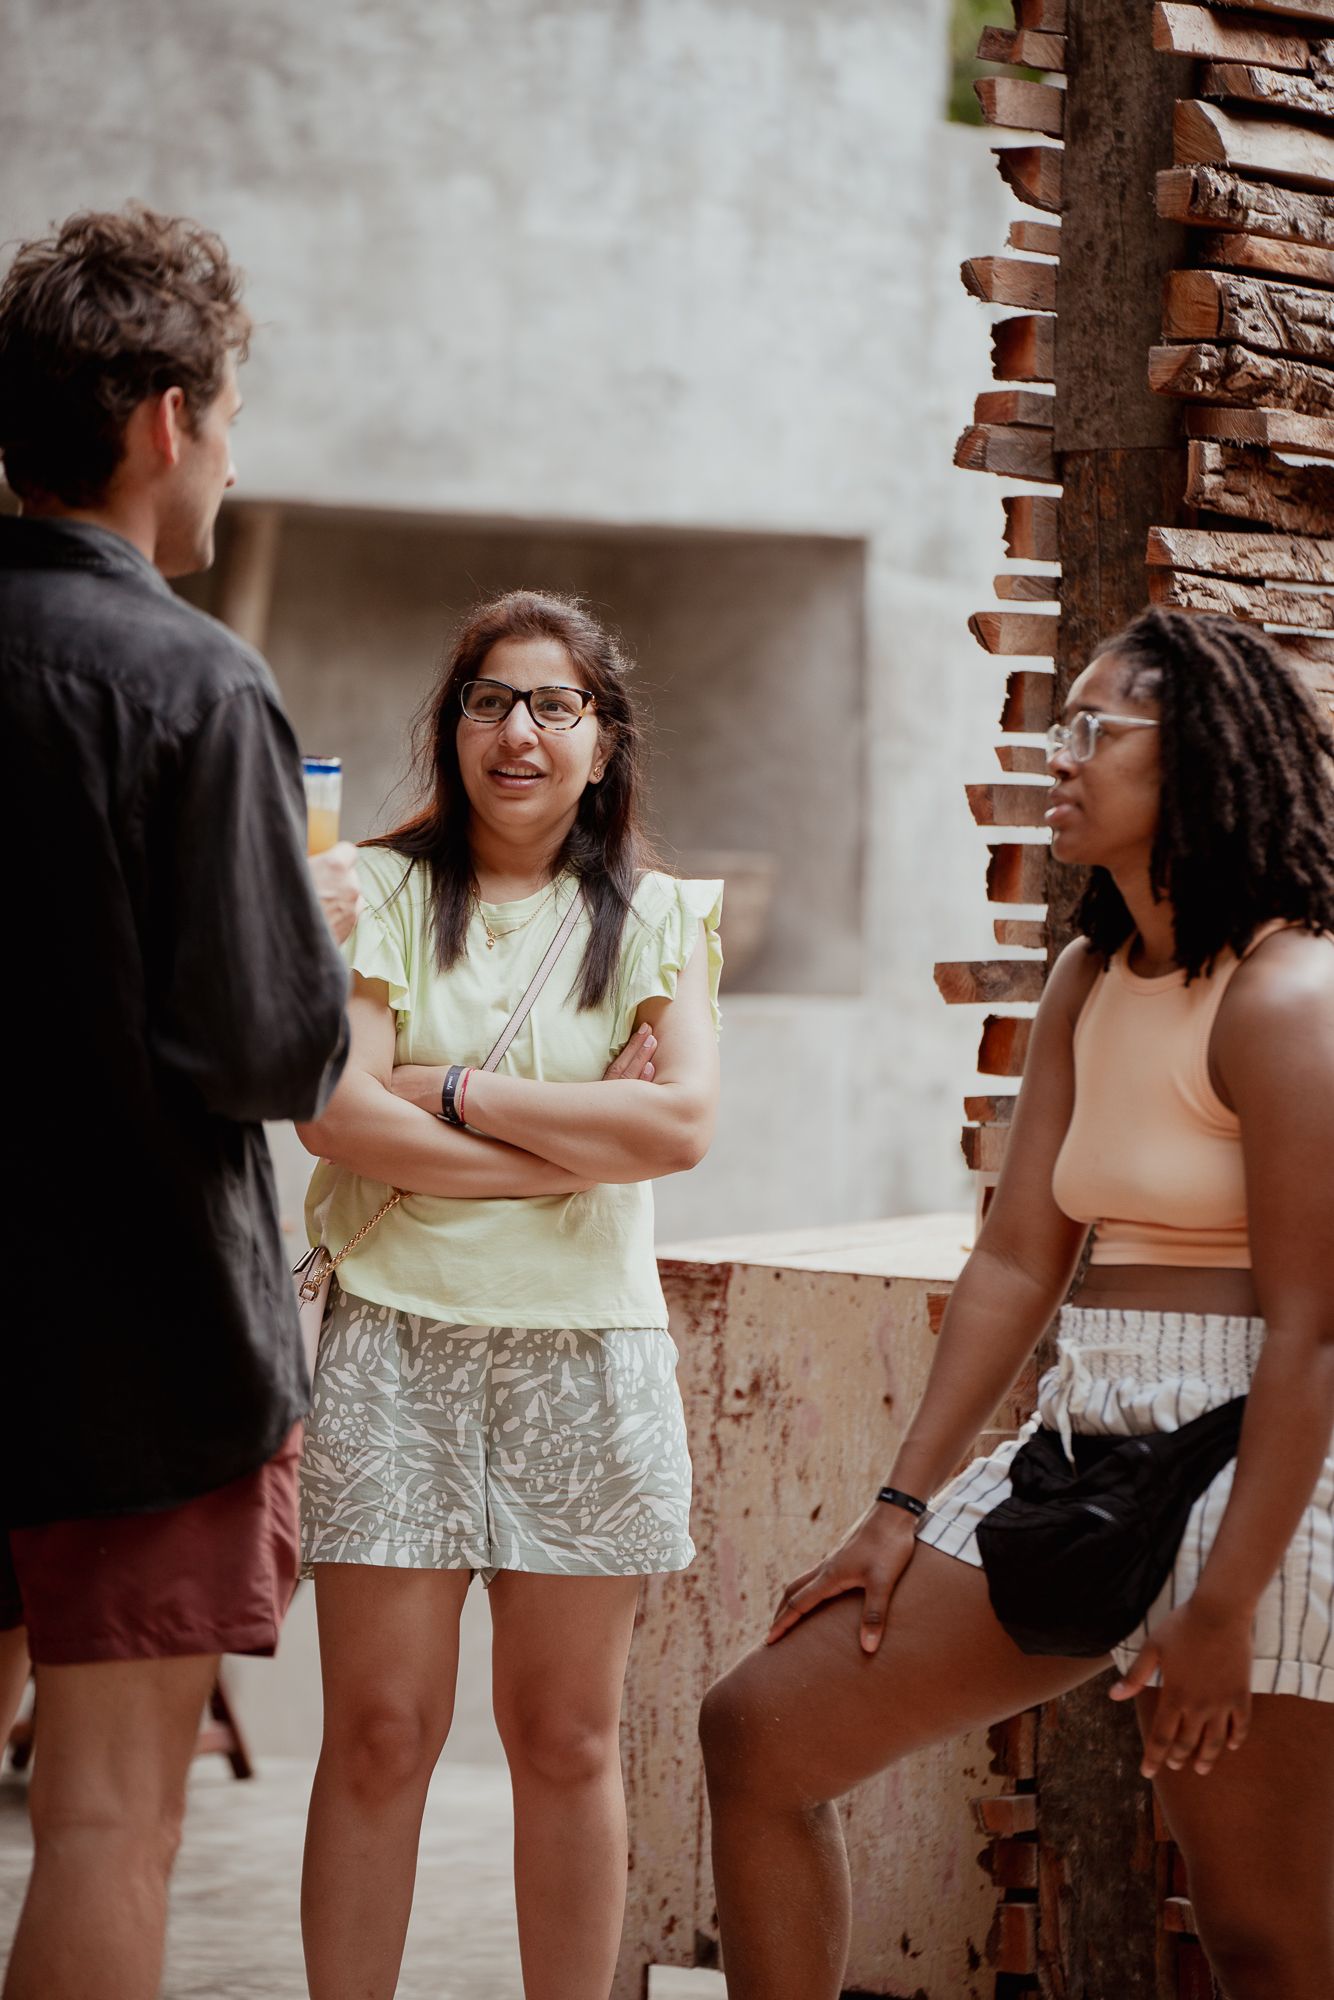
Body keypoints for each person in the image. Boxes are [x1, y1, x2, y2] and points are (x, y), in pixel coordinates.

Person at [700, 608, 1334, 2000]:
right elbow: (1011, 1261)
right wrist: (898, 1507)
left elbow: (1313, 1332)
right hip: (1087, 1429)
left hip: (1267, 1458)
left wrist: (1222, 1606)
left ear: (1200, 763)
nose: (1056, 756)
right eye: (1060, 726)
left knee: (1265, 1937)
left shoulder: (1288, 996)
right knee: (757, 1734)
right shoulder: (1087, 977)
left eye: (1092, 732)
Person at [0, 207, 358, 2000]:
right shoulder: (190, 682)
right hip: (134, 1370)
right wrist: (318, 921)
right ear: (164, 419)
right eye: (227, 414)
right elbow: (272, 1055)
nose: (228, 455)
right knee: (104, 1828)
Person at [295, 588, 722, 2000]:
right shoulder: (383, 890)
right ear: (450, 729)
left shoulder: (662, 916)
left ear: (602, 743)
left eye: (554, 706)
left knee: (568, 1742)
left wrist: (465, 1095)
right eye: (489, 701)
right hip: (394, 1349)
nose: (518, 732)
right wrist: (558, 1150)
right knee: (373, 1731)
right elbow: (340, 1117)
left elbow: (674, 1131)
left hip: (585, 1357)